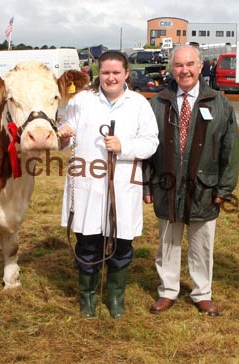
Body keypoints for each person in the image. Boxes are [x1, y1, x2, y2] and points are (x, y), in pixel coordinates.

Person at [57, 50, 158, 319]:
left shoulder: (139, 104)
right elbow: (66, 137)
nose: (110, 77)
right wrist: (64, 135)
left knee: (121, 242)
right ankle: (87, 298)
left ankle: (115, 297)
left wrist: (123, 146)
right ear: (98, 73)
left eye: (116, 72)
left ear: (126, 74)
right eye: (105, 72)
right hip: (88, 183)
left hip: (122, 185)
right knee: (88, 241)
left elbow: (151, 142)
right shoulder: (82, 100)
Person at [143, 45, 239, 317]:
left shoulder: (219, 102)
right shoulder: (158, 102)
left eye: (189, 64)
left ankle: (202, 293)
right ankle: (168, 290)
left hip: (205, 187)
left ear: (200, 67)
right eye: (178, 65)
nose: (184, 70)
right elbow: (147, 148)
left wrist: (224, 188)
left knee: (202, 243)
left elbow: (230, 149)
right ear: (171, 69)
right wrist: (148, 184)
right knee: (168, 242)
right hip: (166, 184)